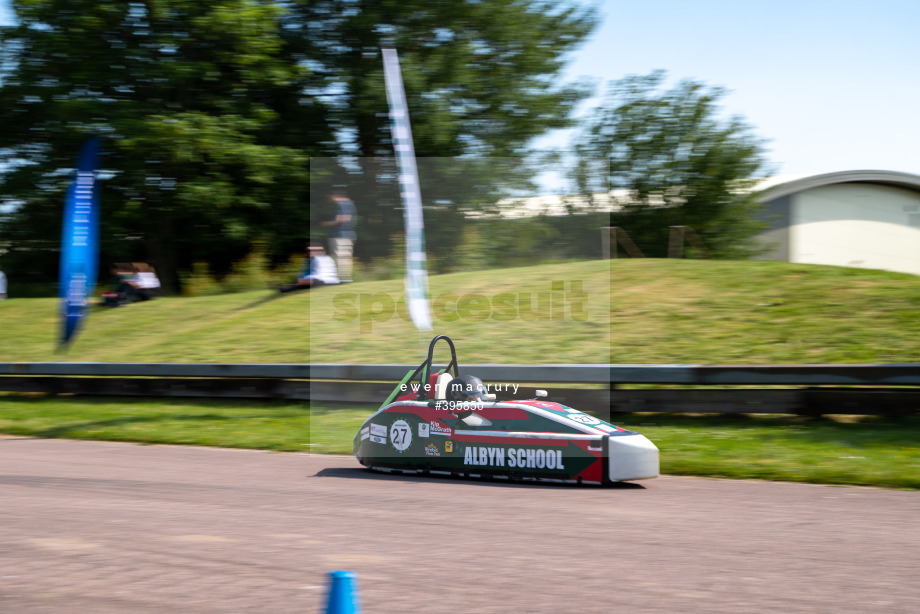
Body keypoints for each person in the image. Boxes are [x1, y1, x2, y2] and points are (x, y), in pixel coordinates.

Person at [321, 190, 356, 283]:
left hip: (342, 235)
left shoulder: (343, 204)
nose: (330, 199)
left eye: (330, 196)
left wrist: (325, 224)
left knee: (342, 258)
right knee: (342, 258)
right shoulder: (349, 204)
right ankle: (342, 280)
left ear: (335, 195)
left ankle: (344, 281)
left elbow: (341, 220)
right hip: (345, 235)